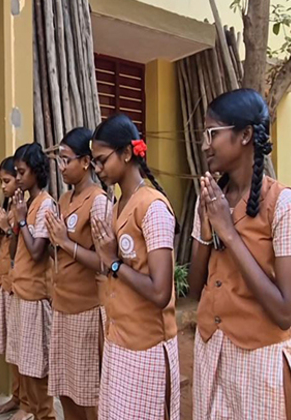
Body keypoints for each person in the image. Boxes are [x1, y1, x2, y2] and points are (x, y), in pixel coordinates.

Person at [188, 88, 291, 420]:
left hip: (260, 363)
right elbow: (195, 288)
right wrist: (205, 227)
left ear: (245, 135)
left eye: (212, 133)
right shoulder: (211, 199)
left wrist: (228, 231)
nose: (204, 145)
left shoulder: (285, 205)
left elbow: (285, 312)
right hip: (212, 353)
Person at [90, 114, 180, 420]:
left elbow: (160, 290)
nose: (98, 169)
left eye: (102, 160)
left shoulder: (152, 207)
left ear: (127, 153)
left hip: (146, 346)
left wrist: (113, 261)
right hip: (119, 338)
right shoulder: (118, 206)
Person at [45, 128, 111, 420]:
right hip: (62, 305)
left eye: (66, 160)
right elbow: (56, 251)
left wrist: (65, 243)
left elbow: (105, 262)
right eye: (59, 160)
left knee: (88, 393)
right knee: (65, 388)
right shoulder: (63, 199)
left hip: (86, 309)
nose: (60, 167)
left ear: (85, 162)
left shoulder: (98, 202)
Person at [7, 143, 56, 420]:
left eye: (22, 172)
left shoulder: (46, 204)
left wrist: (23, 221)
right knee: (25, 363)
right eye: (16, 172)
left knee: (38, 369)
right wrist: (14, 224)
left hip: (36, 296)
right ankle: (31, 411)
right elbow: (16, 252)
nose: (19, 177)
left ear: (36, 172)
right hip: (20, 291)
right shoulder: (25, 204)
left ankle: (44, 415)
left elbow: (38, 252)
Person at [0, 157, 25, 417]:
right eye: (1, 181)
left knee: (23, 348)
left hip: (19, 286)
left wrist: (8, 227)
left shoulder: (25, 209)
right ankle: (16, 395)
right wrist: (0, 228)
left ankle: (28, 402)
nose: (3, 186)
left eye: (7, 181)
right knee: (11, 347)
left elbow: (24, 249)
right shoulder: (5, 210)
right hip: (3, 283)